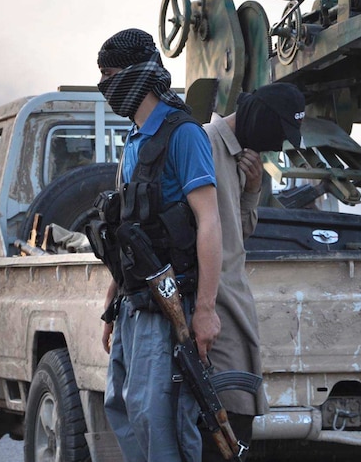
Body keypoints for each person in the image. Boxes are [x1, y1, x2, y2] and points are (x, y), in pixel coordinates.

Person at [96, 28, 223, 462]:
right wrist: (112, 305)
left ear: (134, 76)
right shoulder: (134, 140)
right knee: (123, 408)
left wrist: (205, 309)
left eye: (110, 76)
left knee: (160, 418)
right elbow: (128, 233)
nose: (105, 87)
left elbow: (209, 221)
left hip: (171, 304)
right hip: (135, 305)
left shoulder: (182, 134)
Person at [201, 82, 305, 461]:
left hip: (233, 305)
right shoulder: (205, 145)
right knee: (227, 418)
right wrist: (204, 308)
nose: (277, 145)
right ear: (260, 119)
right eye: (278, 133)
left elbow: (236, 231)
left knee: (238, 417)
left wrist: (252, 189)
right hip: (216, 307)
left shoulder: (242, 158)